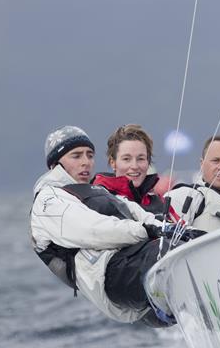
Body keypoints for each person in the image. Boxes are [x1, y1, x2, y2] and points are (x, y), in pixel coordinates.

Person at [31, 125, 180, 328]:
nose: (86, 162)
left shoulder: (96, 191)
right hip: (108, 276)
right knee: (170, 251)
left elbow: (140, 214)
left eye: (89, 155)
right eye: (76, 156)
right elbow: (93, 230)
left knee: (186, 242)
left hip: (134, 266)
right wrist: (146, 231)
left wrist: (176, 230)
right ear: (56, 164)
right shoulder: (48, 200)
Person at [92, 123, 176, 219]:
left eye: (141, 158)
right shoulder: (98, 200)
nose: (135, 166)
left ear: (148, 162)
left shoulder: (160, 203)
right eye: (126, 159)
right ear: (113, 162)